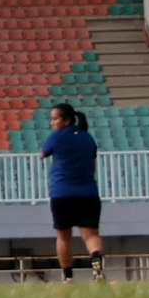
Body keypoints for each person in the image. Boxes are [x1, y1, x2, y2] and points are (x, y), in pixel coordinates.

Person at [42, 101, 107, 282]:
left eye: (55, 119)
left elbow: (43, 153)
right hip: (88, 193)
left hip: (62, 193)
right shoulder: (87, 137)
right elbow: (92, 165)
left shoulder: (57, 137)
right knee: (91, 235)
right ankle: (97, 268)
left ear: (66, 120)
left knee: (63, 237)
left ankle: (68, 277)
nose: (52, 123)